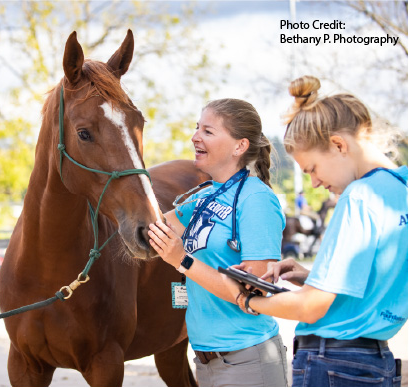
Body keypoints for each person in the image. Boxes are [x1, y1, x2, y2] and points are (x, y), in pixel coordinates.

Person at [222, 75, 407, 387]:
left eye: (312, 170)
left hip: (333, 362)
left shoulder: (359, 197)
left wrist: (246, 301)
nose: (316, 183)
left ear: (338, 144)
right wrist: (313, 277)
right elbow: (378, 282)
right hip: (376, 361)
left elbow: (310, 307)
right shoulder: (401, 189)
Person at [148, 99, 288, 386]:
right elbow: (150, 228)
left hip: (248, 361)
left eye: (208, 131)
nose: (195, 137)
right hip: (206, 363)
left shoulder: (257, 200)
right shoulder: (203, 197)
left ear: (240, 146)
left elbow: (255, 297)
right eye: (197, 128)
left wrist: (182, 260)